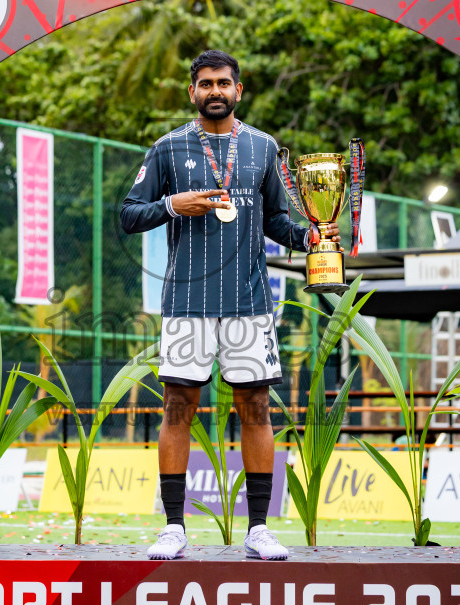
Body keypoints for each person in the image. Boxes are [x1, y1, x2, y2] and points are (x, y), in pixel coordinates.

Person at [120, 50, 340, 560]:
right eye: (204, 84)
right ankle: (173, 527)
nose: (214, 90)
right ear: (191, 91)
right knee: (177, 410)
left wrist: (313, 236)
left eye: (223, 82)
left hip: (249, 304)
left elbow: (277, 223)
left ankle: (259, 529)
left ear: (239, 90)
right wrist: (175, 204)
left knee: (256, 409)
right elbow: (130, 215)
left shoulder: (264, 148)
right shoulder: (167, 148)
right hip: (187, 301)